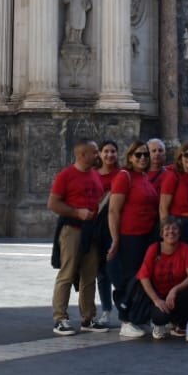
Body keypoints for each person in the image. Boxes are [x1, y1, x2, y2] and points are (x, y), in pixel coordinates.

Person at [49, 139, 107, 336]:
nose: (98, 155)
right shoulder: (65, 175)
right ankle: (60, 318)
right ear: (82, 155)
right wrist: (77, 212)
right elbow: (53, 204)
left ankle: (88, 317)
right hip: (72, 228)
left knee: (89, 276)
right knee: (67, 273)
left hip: (91, 230)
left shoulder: (95, 175)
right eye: (95, 152)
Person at [109, 141, 162, 335]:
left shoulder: (144, 177)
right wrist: (115, 239)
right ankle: (125, 320)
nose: (143, 158)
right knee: (130, 277)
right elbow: (114, 210)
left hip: (147, 235)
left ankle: (137, 316)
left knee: (143, 277)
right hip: (130, 236)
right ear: (130, 157)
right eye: (138, 155)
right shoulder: (124, 176)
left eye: (145, 155)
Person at [128, 218, 188, 342]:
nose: (171, 232)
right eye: (167, 229)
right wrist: (156, 300)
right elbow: (143, 276)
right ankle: (159, 324)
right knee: (160, 317)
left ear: (180, 232)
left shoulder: (186, 249)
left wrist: (175, 290)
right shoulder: (154, 249)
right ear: (161, 233)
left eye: (175, 228)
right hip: (160, 296)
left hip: (178, 295)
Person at [94, 139, 121, 318]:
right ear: (100, 154)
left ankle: (124, 306)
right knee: (101, 271)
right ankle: (106, 308)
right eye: (106, 151)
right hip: (97, 227)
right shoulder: (93, 175)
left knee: (116, 269)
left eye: (113, 151)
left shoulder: (122, 174)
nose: (109, 155)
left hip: (117, 226)